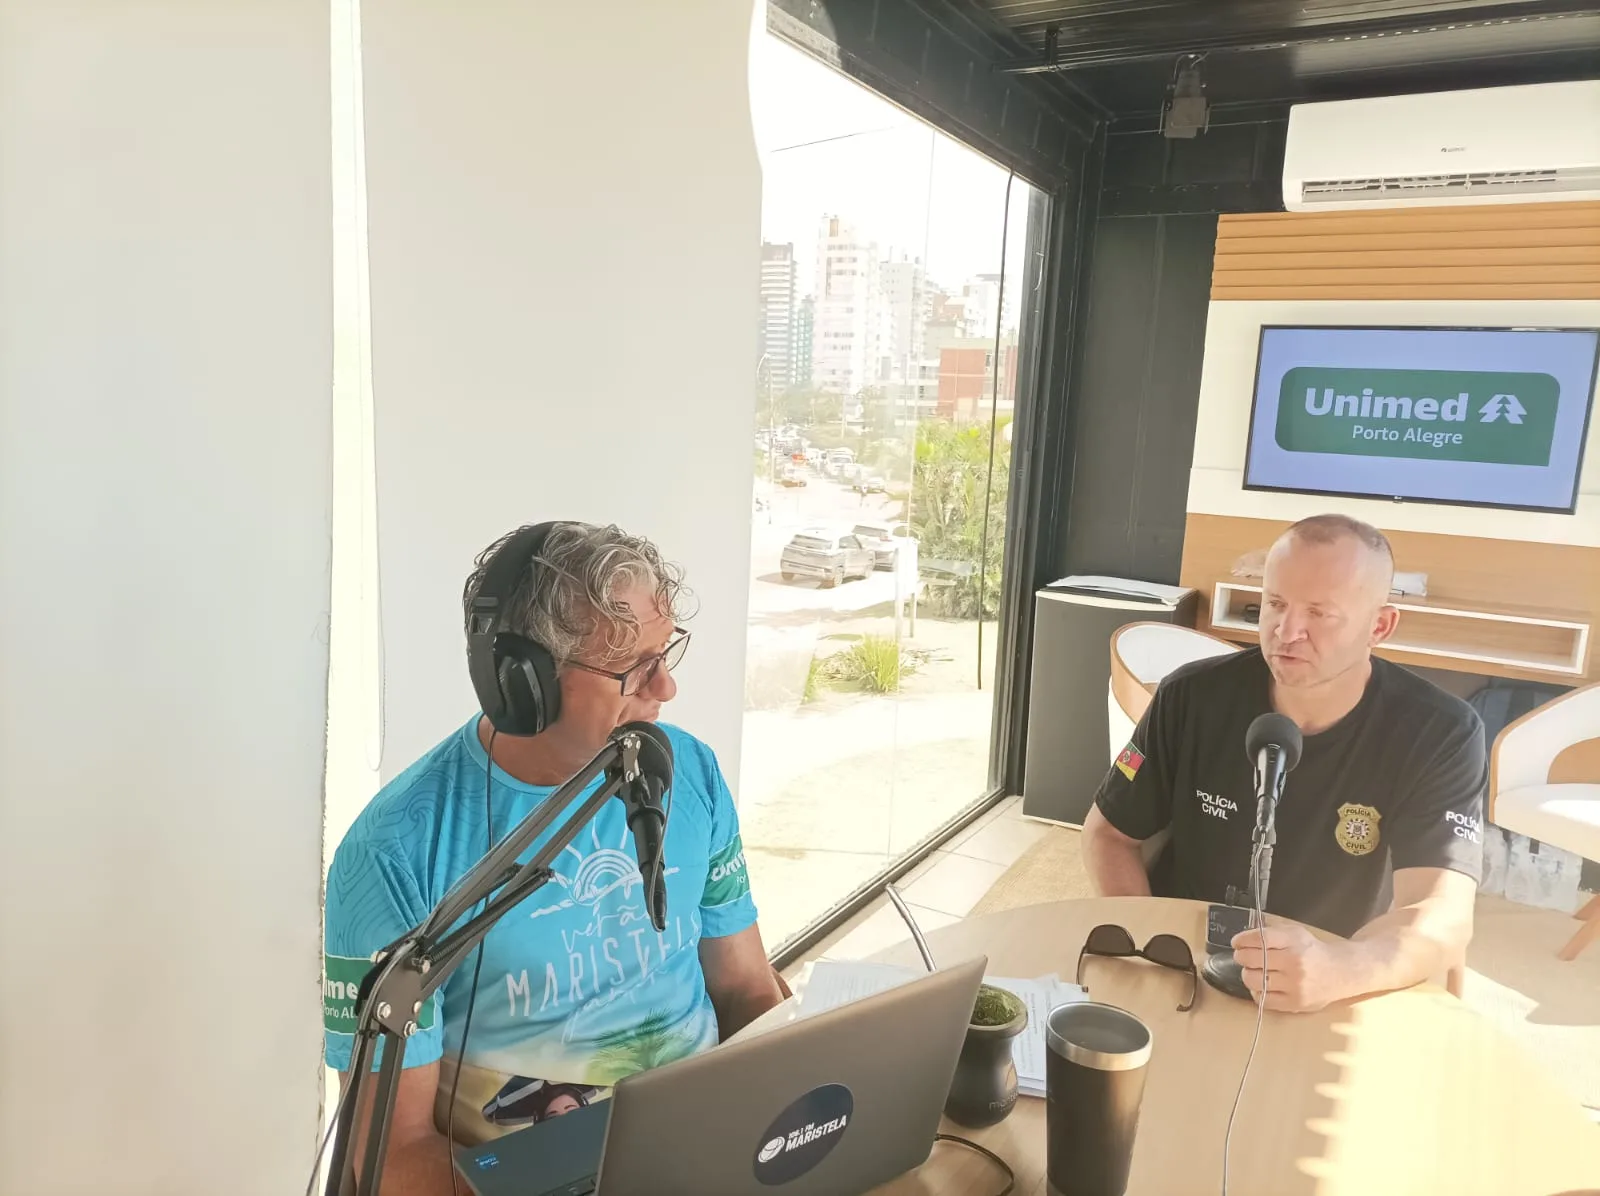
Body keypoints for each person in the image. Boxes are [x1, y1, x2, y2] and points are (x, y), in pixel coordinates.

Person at [323, 521, 784, 1192]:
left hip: (713, 1156)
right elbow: (394, 1153)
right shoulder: (392, 853)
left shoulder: (691, 772)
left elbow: (745, 989)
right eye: (635, 669)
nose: (665, 689)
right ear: (524, 685)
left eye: (666, 654)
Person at [1081, 514, 1486, 1013]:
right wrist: (1152, 948)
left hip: (1331, 970)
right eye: (1274, 604)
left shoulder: (1439, 732)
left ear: (1379, 626)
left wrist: (1343, 969)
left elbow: (1441, 911)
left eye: (1320, 613)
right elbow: (1107, 834)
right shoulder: (1191, 696)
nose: (1287, 631)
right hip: (1183, 960)